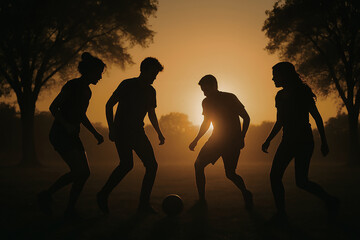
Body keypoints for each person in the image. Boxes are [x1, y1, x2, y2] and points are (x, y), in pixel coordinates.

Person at [262, 62, 339, 220]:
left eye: (275, 75)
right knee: (275, 176)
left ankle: (330, 200)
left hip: (304, 141)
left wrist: (324, 142)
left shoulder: (302, 92)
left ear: (285, 75)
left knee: (301, 181)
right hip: (287, 141)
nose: (272, 79)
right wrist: (268, 139)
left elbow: (316, 116)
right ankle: (281, 214)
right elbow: (280, 122)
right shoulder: (280, 96)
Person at [38, 52, 105, 218]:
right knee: (78, 171)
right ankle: (46, 195)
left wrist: (95, 133)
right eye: (99, 73)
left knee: (84, 173)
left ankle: (70, 210)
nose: (101, 77)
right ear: (90, 71)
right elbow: (54, 107)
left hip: (72, 134)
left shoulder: (87, 92)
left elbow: (81, 115)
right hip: (60, 133)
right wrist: (66, 125)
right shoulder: (72, 86)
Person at [97, 57, 165, 214]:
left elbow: (151, 113)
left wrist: (159, 133)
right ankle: (104, 195)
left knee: (150, 165)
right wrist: (112, 128)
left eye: (156, 74)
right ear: (144, 70)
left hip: (137, 132)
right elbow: (109, 105)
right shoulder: (127, 84)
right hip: (122, 131)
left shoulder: (151, 91)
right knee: (127, 165)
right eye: (153, 73)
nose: (155, 77)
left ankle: (142, 205)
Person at [189, 74, 253, 210]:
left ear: (214, 86)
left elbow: (246, 118)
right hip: (216, 140)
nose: (204, 93)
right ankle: (202, 201)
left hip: (232, 142)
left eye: (205, 89)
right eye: (202, 91)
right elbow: (206, 123)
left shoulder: (230, 97)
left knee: (230, 173)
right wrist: (196, 140)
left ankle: (246, 193)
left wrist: (242, 137)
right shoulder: (206, 102)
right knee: (198, 165)